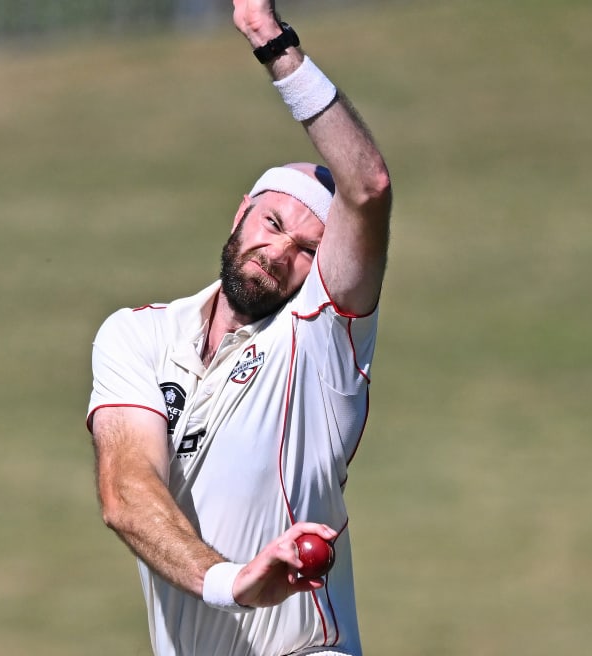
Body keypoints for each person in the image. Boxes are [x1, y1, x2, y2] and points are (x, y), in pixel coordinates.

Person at [86, 1, 392, 654]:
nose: (280, 252)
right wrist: (235, 582)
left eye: (309, 249)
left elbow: (368, 187)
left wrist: (271, 40)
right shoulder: (139, 337)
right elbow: (126, 492)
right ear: (239, 214)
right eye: (273, 224)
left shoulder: (317, 344)